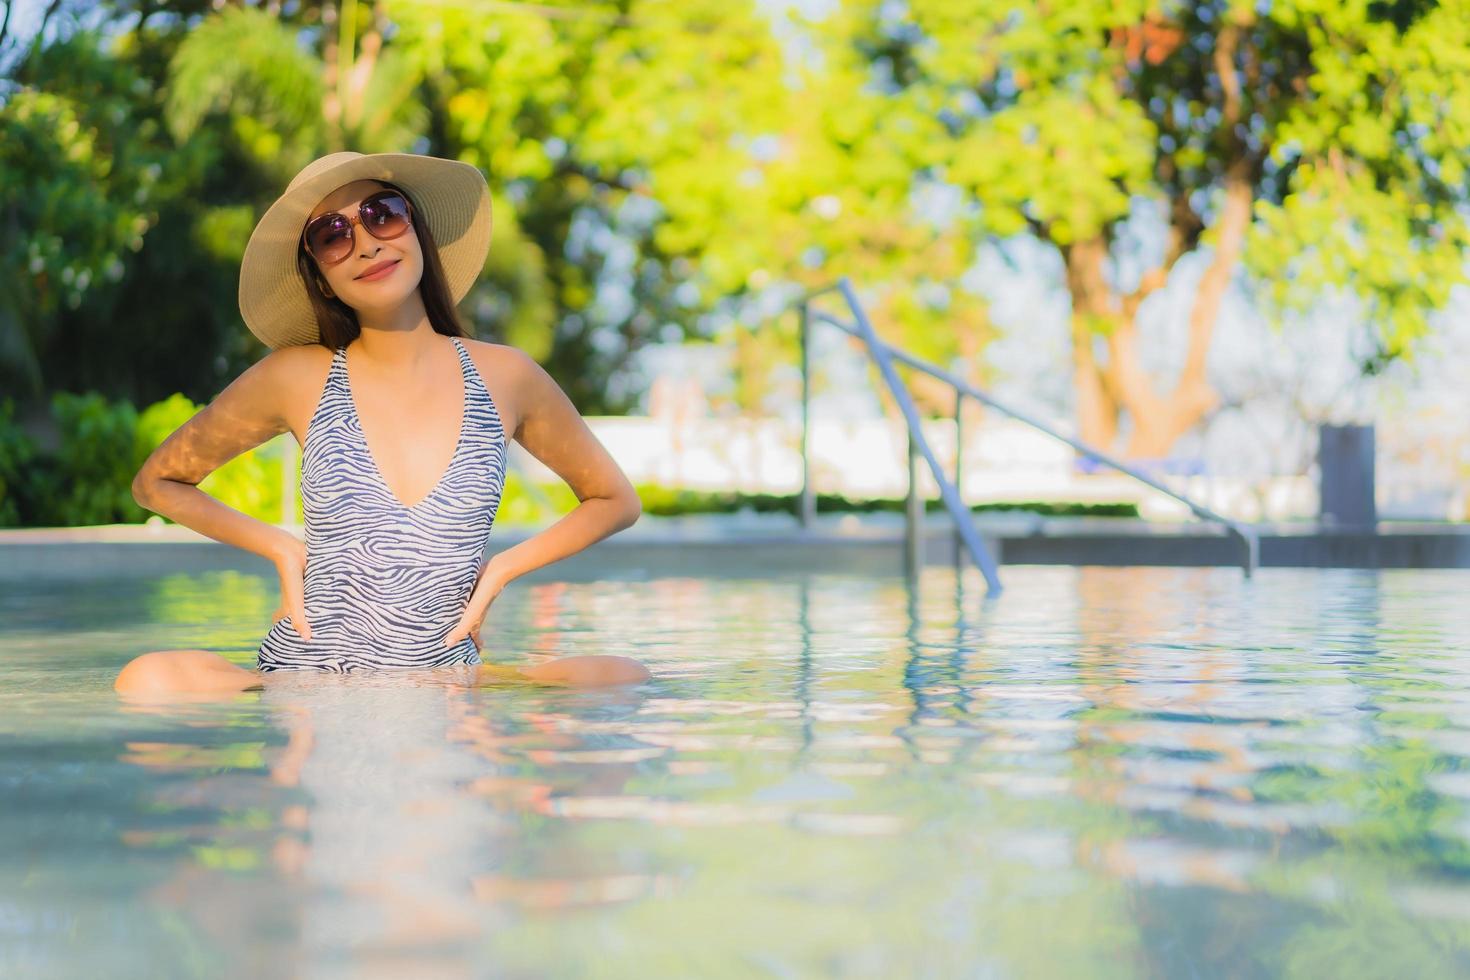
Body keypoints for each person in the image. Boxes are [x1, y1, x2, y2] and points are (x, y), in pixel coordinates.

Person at [113, 151, 650, 696]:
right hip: (308, 675)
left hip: (443, 676)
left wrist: (501, 570)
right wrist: (278, 546)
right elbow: (156, 483)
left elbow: (614, 500)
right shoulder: (298, 376)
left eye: (381, 213)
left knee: (624, 677)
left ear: (416, 230)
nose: (366, 242)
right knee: (145, 680)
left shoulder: (506, 377)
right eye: (331, 235)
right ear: (321, 278)